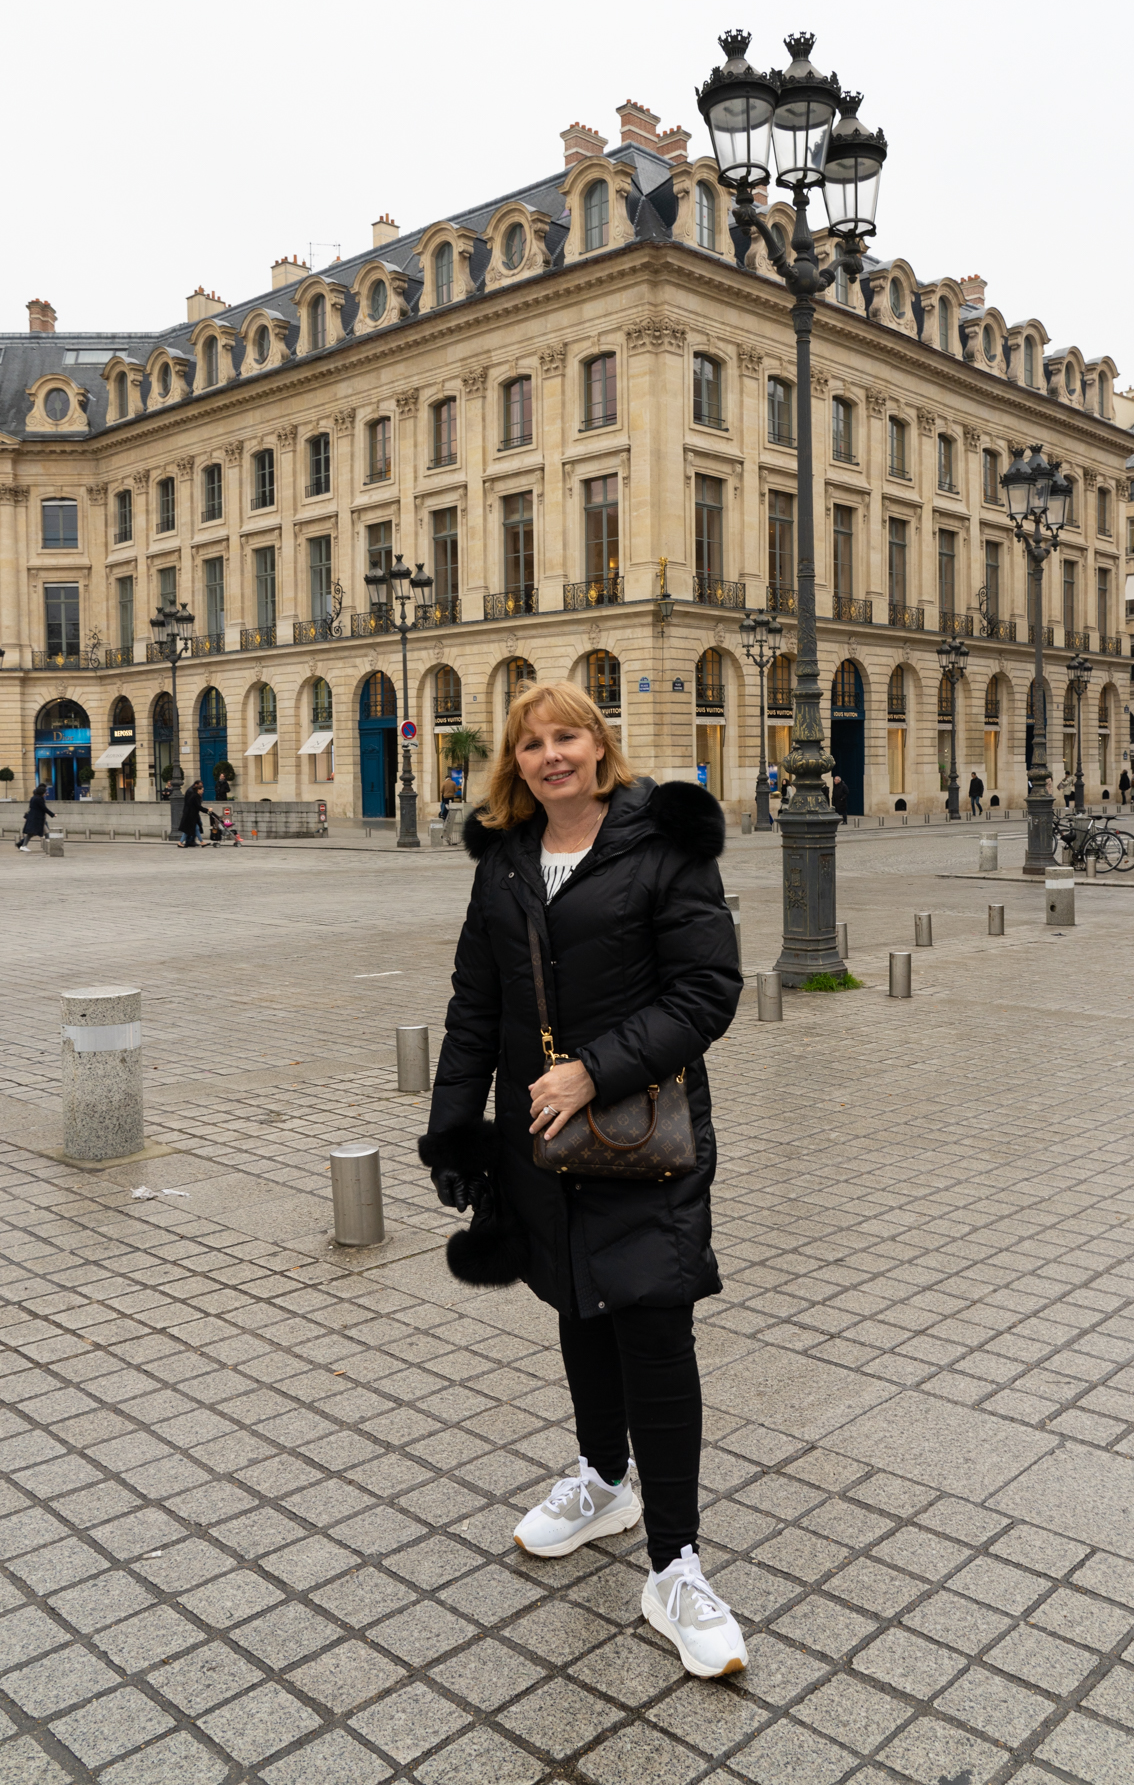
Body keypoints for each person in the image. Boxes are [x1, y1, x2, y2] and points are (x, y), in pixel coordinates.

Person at [418, 680, 747, 1680]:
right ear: (513, 764)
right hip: (536, 1142)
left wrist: (594, 1067)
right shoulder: (506, 865)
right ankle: (604, 1480)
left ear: (602, 747)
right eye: (532, 744)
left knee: (651, 1320)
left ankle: (677, 1565)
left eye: (569, 737)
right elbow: (474, 1004)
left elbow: (708, 989)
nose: (552, 755)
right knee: (577, 1302)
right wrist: (451, 1131)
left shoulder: (662, 844)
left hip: (641, 1131)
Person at [16, 784, 52, 852]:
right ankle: (23, 844)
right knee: (32, 832)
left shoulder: (35, 796)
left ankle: (22, 844)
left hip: (39, 818)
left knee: (45, 831)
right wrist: (52, 814)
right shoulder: (38, 798)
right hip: (37, 818)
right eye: (45, 789)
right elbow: (43, 808)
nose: (46, 792)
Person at [179, 781, 206, 848]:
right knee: (189, 830)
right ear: (198, 790)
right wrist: (207, 810)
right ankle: (181, 842)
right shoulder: (195, 796)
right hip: (190, 816)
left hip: (192, 815)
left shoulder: (195, 796)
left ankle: (201, 841)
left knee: (195, 829)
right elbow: (198, 806)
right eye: (202, 790)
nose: (203, 791)